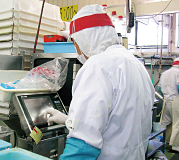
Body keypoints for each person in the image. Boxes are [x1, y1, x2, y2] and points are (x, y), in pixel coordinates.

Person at [40, 4, 155, 160]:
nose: (78, 51)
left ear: (85, 39)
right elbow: (119, 123)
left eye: (75, 44)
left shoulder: (98, 66)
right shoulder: (136, 65)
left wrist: (78, 129)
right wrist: (69, 120)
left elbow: (82, 145)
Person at [158, 57, 179, 152]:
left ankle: (161, 142)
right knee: (177, 123)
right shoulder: (178, 73)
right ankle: (176, 147)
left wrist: (166, 96)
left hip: (166, 100)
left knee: (164, 123)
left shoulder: (165, 73)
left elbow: (159, 89)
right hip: (176, 100)